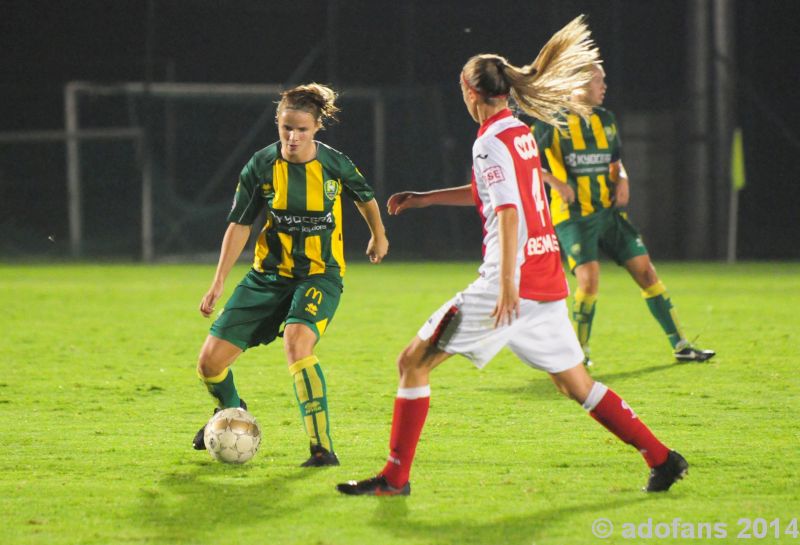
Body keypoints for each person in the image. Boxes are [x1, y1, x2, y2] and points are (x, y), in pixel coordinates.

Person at [336, 16, 688, 496]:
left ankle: (395, 478)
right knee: (576, 385)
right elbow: (499, 194)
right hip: (545, 282)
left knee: (412, 362)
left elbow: (506, 211)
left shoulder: (489, 141)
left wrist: (504, 287)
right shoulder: (518, 131)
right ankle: (663, 457)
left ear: (470, 91)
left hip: (511, 286)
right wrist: (426, 198)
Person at [192, 83, 389, 467]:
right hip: (267, 277)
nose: (293, 137)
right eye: (286, 128)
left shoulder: (335, 165)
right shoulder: (261, 166)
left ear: (316, 127)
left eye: (301, 129)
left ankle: (321, 449)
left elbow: (364, 197)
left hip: (319, 274)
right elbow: (240, 224)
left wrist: (378, 235)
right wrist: (218, 281)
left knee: (298, 345)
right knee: (209, 365)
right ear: (277, 125)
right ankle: (231, 410)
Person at [531, 65, 715, 366]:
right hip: (574, 216)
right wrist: (555, 182)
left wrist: (624, 178)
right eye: (598, 80)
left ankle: (681, 344)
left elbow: (615, 161)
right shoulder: (552, 122)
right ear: (578, 83)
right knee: (589, 282)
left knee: (647, 272)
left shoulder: (606, 120)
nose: (604, 86)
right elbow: (525, 161)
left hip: (608, 213)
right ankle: (578, 353)